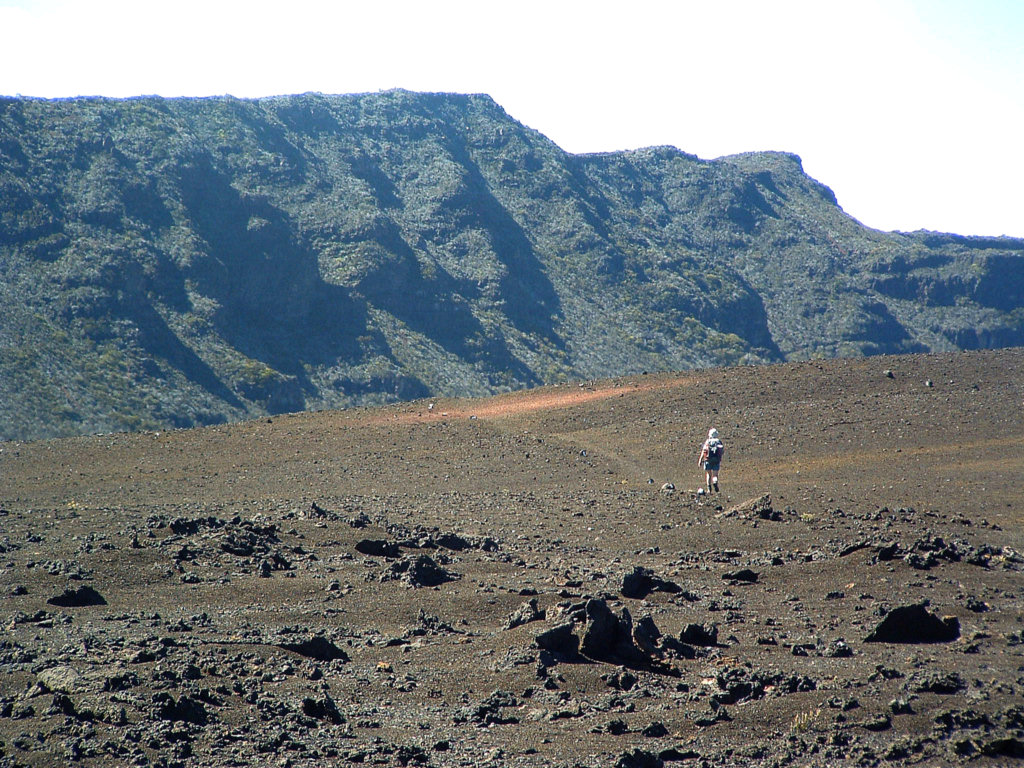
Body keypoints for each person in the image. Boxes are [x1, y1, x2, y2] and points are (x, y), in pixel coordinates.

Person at [698, 428, 724, 493]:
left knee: (708, 474)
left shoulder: (707, 441)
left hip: (708, 460)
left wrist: (700, 460)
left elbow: (704, 451)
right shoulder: (718, 441)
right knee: (715, 475)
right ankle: (715, 482)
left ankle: (709, 489)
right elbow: (722, 451)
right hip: (716, 460)